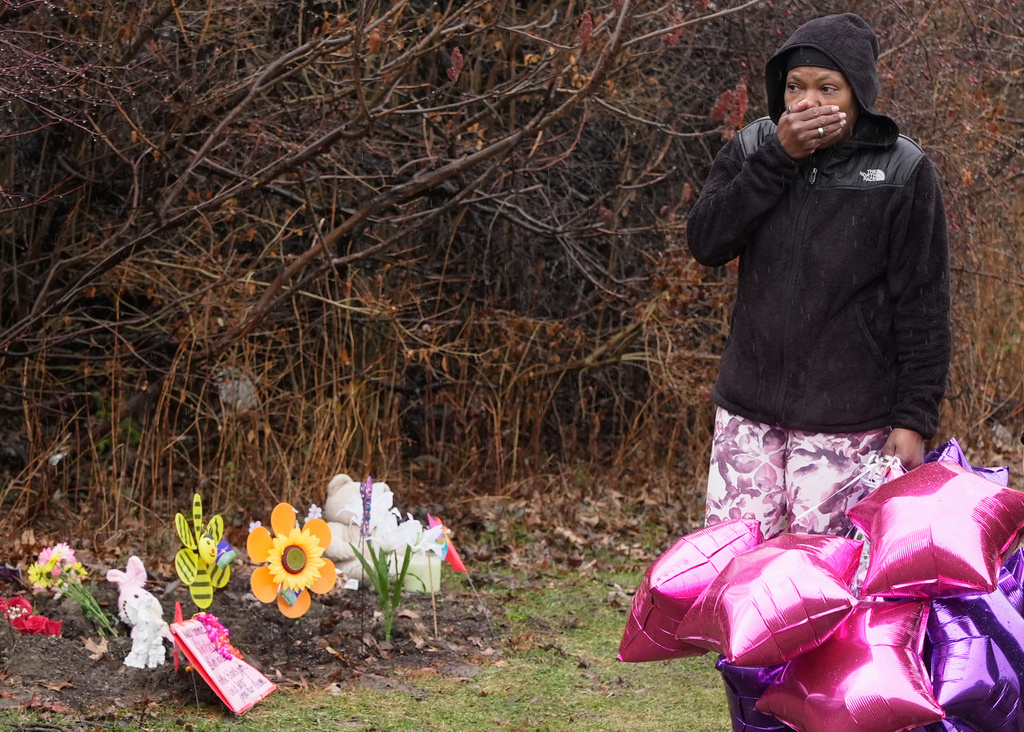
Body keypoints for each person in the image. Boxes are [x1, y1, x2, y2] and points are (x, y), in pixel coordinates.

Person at [687, 13, 951, 539]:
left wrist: (914, 418)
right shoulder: (751, 148)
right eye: (795, 87)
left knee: (824, 584)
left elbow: (924, 306)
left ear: (859, 95)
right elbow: (707, 242)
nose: (807, 102)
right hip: (748, 410)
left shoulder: (902, 170)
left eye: (827, 88)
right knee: (733, 570)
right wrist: (776, 158)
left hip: (850, 421)